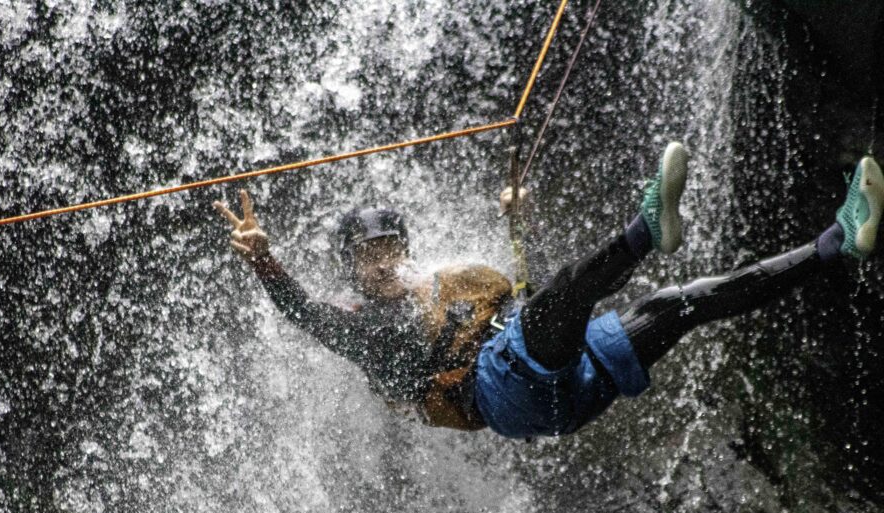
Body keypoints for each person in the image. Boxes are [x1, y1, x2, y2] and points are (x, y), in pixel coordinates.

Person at [214, 144, 884, 438]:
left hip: (558, 383)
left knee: (680, 306)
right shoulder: (364, 331)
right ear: (352, 269)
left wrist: (517, 226)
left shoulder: (433, 284)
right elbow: (304, 313)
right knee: (564, 301)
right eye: (369, 256)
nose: (385, 263)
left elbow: (523, 300)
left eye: (392, 248)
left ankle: (838, 240)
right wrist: (264, 261)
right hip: (502, 391)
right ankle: (645, 229)